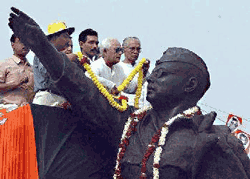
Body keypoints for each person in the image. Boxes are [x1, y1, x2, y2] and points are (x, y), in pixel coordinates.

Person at [8, 7, 250, 179]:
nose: (152, 77)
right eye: (155, 71)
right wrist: (40, 43)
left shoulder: (215, 141)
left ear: (190, 85)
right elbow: (83, 91)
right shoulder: (131, 126)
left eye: (163, 74)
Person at [32, 21, 75, 107]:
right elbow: (46, 71)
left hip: (61, 99)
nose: (68, 40)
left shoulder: (60, 54)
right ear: (55, 36)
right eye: (65, 36)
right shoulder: (43, 51)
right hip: (46, 97)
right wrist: (66, 60)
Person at [0, 34, 34, 111]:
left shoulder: (32, 68)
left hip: (28, 111)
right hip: (8, 111)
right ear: (13, 45)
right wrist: (14, 84)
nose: (25, 44)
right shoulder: (4, 64)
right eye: (21, 42)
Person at [120, 36, 151, 108]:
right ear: (124, 49)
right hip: (125, 106)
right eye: (132, 48)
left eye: (138, 49)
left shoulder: (141, 67)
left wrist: (145, 72)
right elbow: (129, 89)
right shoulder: (118, 67)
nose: (135, 52)